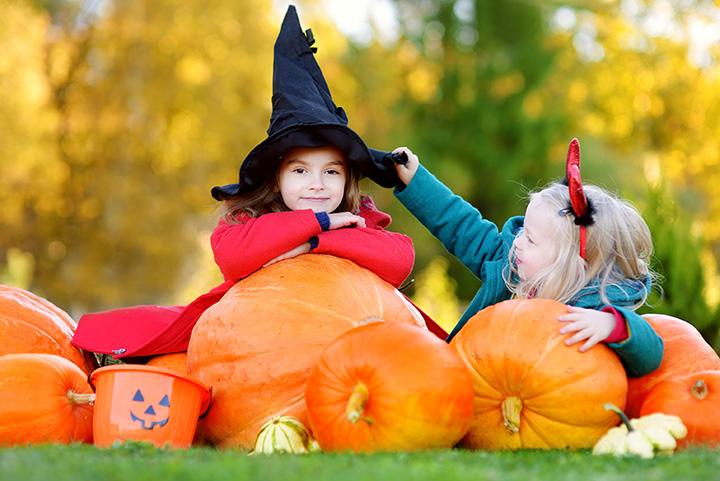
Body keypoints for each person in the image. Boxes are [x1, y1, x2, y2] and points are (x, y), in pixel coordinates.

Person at [71, 5, 445, 361]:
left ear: (347, 179)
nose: (316, 185)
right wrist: (318, 224)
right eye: (300, 171)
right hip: (260, 344)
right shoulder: (252, 219)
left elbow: (399, 260)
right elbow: (233, 259)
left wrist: (317, 242)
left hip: (339, 345)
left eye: (331, 172)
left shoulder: (356, 218)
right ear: (276, 178)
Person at [390, 139, 663, 377]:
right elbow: (462, 227)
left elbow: (653, 353)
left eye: (530, 239)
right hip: (482, 389)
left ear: (569, 267)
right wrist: (417, 181)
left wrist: (612, 325)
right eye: (522, 231)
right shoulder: (510, 266)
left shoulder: (594, 311)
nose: (517, 242)